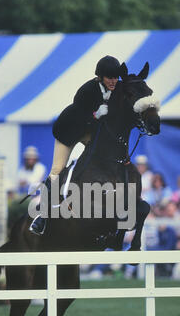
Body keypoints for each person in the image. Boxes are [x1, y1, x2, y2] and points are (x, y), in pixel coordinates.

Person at [30, 55, 125, 235]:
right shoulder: (87, 90)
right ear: (100, 77)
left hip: (90, 132)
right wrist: (97, 114)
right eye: (109, 77)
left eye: (115, 77)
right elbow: (83, 118)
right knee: (57, 170)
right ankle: (42, 216)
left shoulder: (117, 88)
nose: (113, 81)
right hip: (70, 130)